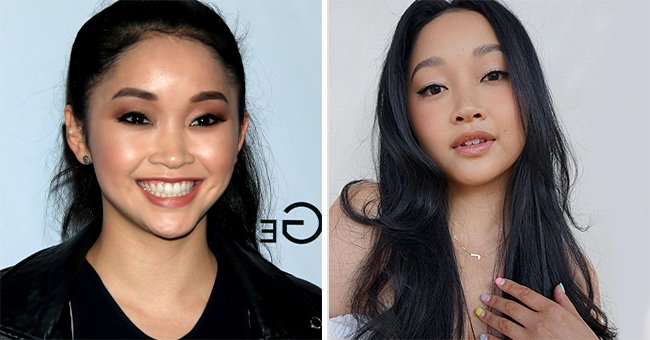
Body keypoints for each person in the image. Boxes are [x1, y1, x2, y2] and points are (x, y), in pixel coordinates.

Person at [0, 1, 321, 338]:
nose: (173, 155)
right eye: (137, 118)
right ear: (78, 134)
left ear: (239, 134)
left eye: (204, 119)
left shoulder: (308, 318)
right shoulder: (8, 314)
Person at [329, 0, 616, 339]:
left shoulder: (570, 273)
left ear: (529, 87)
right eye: (434, 88)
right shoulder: (366, 223)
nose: (467, 108)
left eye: (493, 75)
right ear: (405, 114)